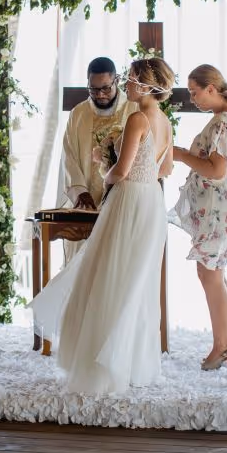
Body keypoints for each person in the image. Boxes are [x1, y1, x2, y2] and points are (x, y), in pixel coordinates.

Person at [32, 58, 175, 394]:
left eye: (129, 80)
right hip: (151, 202)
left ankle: (102, 366)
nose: (124, 85)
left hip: (127, 201)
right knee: (136, 282)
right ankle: (132, 363)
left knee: (109, 278)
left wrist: (104, 171)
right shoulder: (165, 121)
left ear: (143, 84)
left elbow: (121, 171)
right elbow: (165, 168)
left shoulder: (138, 116)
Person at [169, 64, 227, 371]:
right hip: (218, 208)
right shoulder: (222, 120)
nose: (192, 99)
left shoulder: (225, 124)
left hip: (219, 209)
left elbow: (216, 170)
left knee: (209, 275)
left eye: (194, 92)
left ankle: (221, 346)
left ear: (211, 89)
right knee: (216, 274)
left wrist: (179, 154)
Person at [58, 57, 137, 261]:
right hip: (87, 204)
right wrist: (80, 192)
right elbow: (69, 156)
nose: (100, 95)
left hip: (121, 200)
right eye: (93, 89)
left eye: (105, 88)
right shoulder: (78, 114)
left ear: (116, 80)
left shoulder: (133, 111)